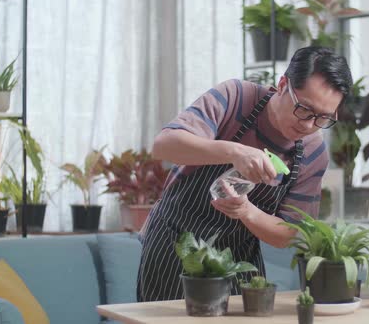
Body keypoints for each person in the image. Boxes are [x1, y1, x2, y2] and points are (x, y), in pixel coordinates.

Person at [137, 46, 353, 301]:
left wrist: (246, 211)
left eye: (322, 118)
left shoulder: (313, 152)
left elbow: (288, 233)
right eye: (304, 109)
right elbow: (164, 145)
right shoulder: (235, 98)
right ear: (283, 84)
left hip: (238, 260)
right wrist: (233, 152)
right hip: (174, 244)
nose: (307, 125)